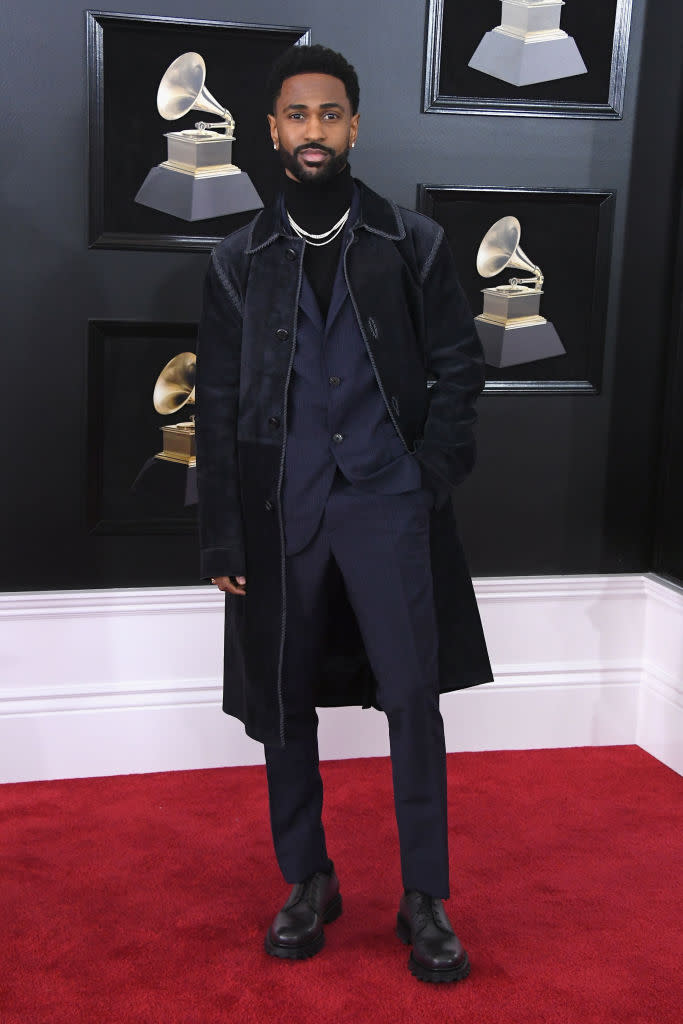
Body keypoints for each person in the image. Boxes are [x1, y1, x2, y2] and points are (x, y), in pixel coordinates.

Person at [196, 44, 492, 984]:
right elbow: (214, 401)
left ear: (353, 126)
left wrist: (427, 473)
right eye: (296, 114)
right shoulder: (236, 259)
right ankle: (308, 881)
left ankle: (424, 898)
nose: (312, 130)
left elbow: (457, 362)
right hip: (280, 511)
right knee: (284, 705)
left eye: (329, 114)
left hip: (386, 505)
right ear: (271, 129)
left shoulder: (413, 242)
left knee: (413, 699)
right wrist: (223, 530)